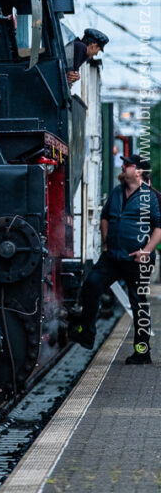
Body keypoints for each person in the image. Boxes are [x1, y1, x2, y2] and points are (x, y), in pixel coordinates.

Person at [70, 154, 161, 363]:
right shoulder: (116, 192)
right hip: (112, 256)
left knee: (139, 304)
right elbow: (105, 217)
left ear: (139, 171)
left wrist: (146, 251)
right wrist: (106, 242)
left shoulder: (150, 197)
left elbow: (159, 227)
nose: (123, 167)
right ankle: (87, 333)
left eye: (127, 165)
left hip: (137, 261)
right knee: (91, 286)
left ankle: (142, 352)